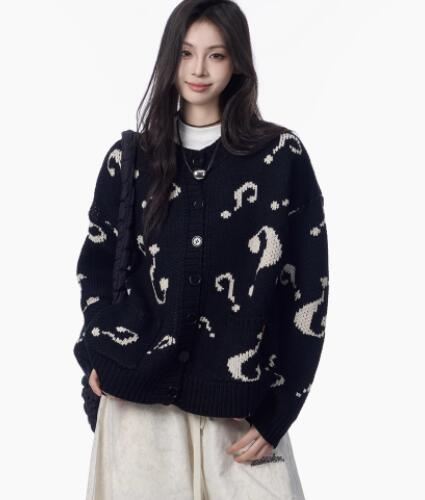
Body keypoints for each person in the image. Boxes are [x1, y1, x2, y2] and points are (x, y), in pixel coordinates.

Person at [74, 1, 329, 499]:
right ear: (169, 58)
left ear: (237, 63)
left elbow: (308, 291)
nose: (198, 70)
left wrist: (281, 410)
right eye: (186, 53)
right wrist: (96, 350)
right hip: (136, 411)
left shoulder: (280, 158)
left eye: (216, 55)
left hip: (238, 412)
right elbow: (97, 268)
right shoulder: (130, 160)